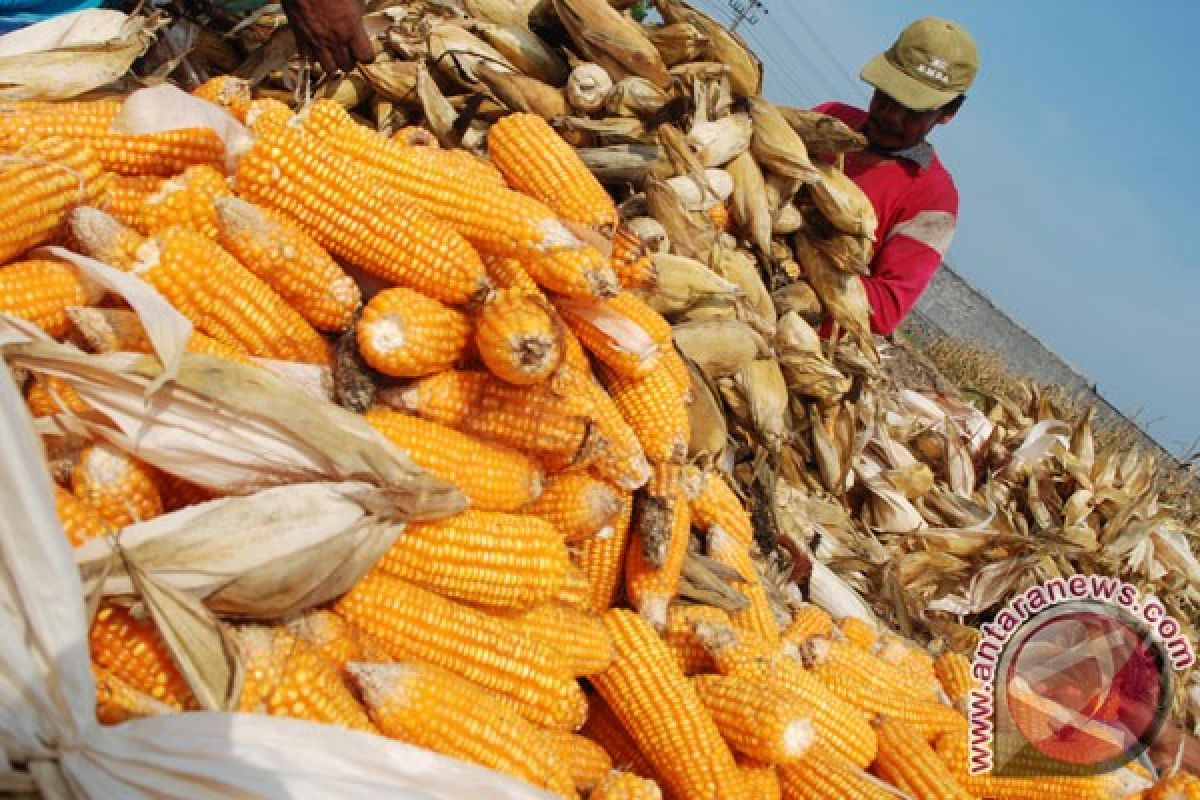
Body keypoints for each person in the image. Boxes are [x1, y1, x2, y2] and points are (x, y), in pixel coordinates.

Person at [814, 16, 978, 337]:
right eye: (886, 96)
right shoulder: (830, 117)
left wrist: (803, 259)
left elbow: (885, 309)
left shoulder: (934, 199)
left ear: (948, 112)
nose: (891, 115)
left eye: (912, 110)